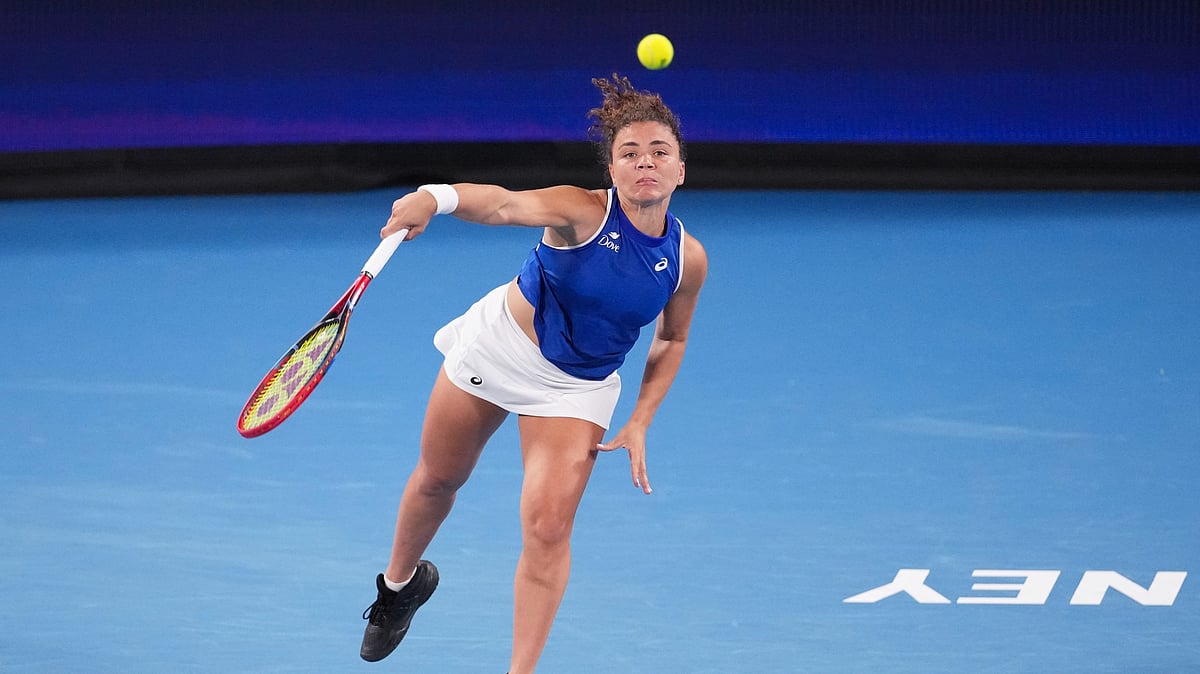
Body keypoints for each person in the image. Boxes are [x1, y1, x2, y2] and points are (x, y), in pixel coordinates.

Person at [359, 73, 708, 673]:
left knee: (548, 528)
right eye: (629, 154)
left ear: (680, 169)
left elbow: (672, 338)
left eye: (659, 153)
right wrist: (435, 197)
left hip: (576, 388)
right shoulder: (579, 211)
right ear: (613, 171)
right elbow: (501, 204)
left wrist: (642, 418)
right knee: (439, 480)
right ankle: (398, 589)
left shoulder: (687, 258)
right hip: (499, 347)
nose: (644, 163)